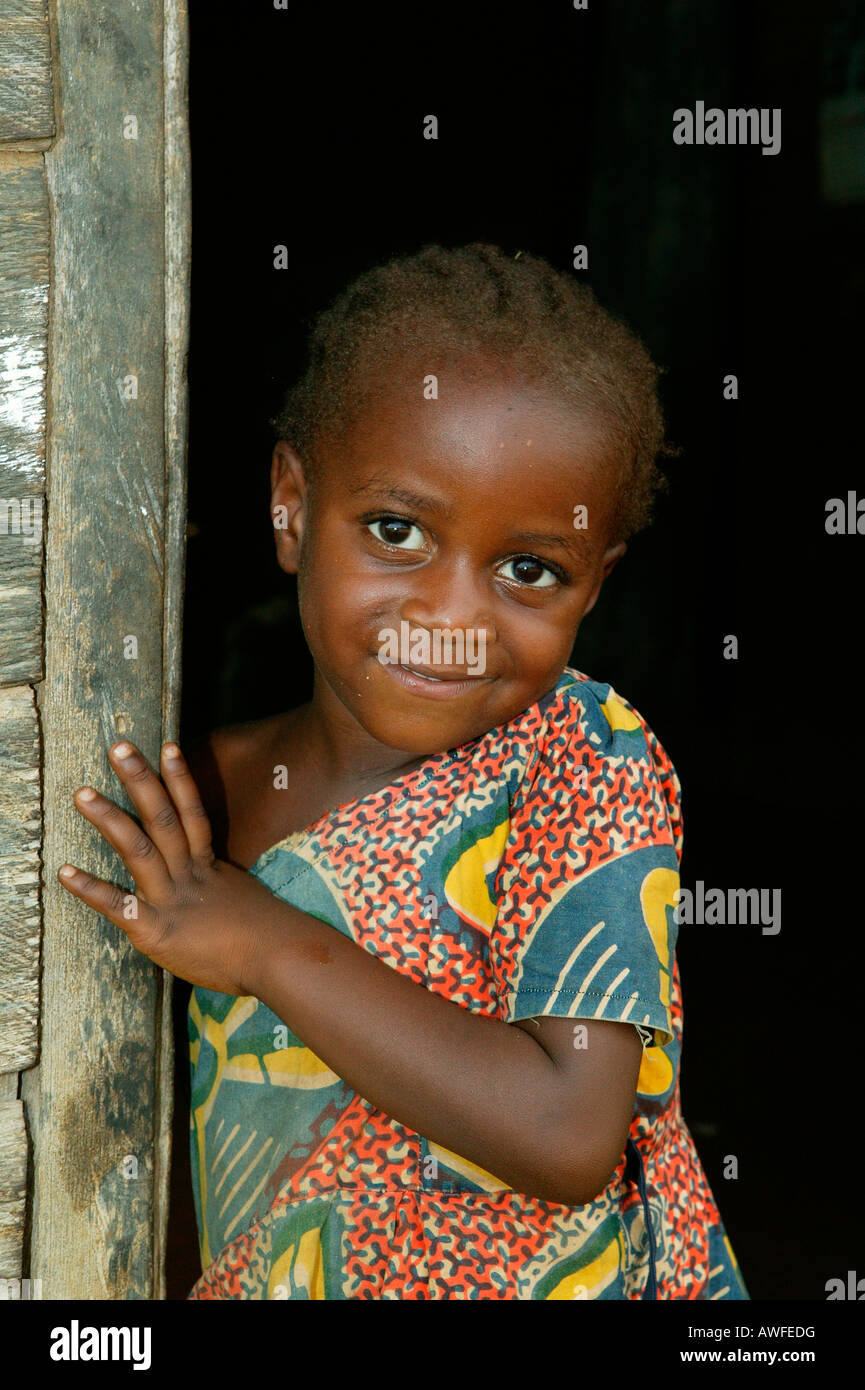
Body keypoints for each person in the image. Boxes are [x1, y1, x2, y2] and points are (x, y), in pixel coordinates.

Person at [58, 243, 749, 1300]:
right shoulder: (198, 794)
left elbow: (566, 1134)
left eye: (528, 569)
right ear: (289, 503)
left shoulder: (582, 759)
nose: (452, 618)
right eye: (396, 530)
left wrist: (265, 943)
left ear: (594, 586)